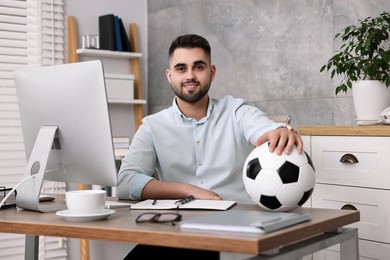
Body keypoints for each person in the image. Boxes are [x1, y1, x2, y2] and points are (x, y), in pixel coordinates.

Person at [118, 34, 302, 259]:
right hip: (177, 231)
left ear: (211, 72)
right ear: (169, 76)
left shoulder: (237, 111)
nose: (190, 76)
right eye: (181, 68)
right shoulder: (152, 126)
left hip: (237, 231)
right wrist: (189, 191)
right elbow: (126, 182)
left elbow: (263, 129)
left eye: (198, 66)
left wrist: (280, 131)